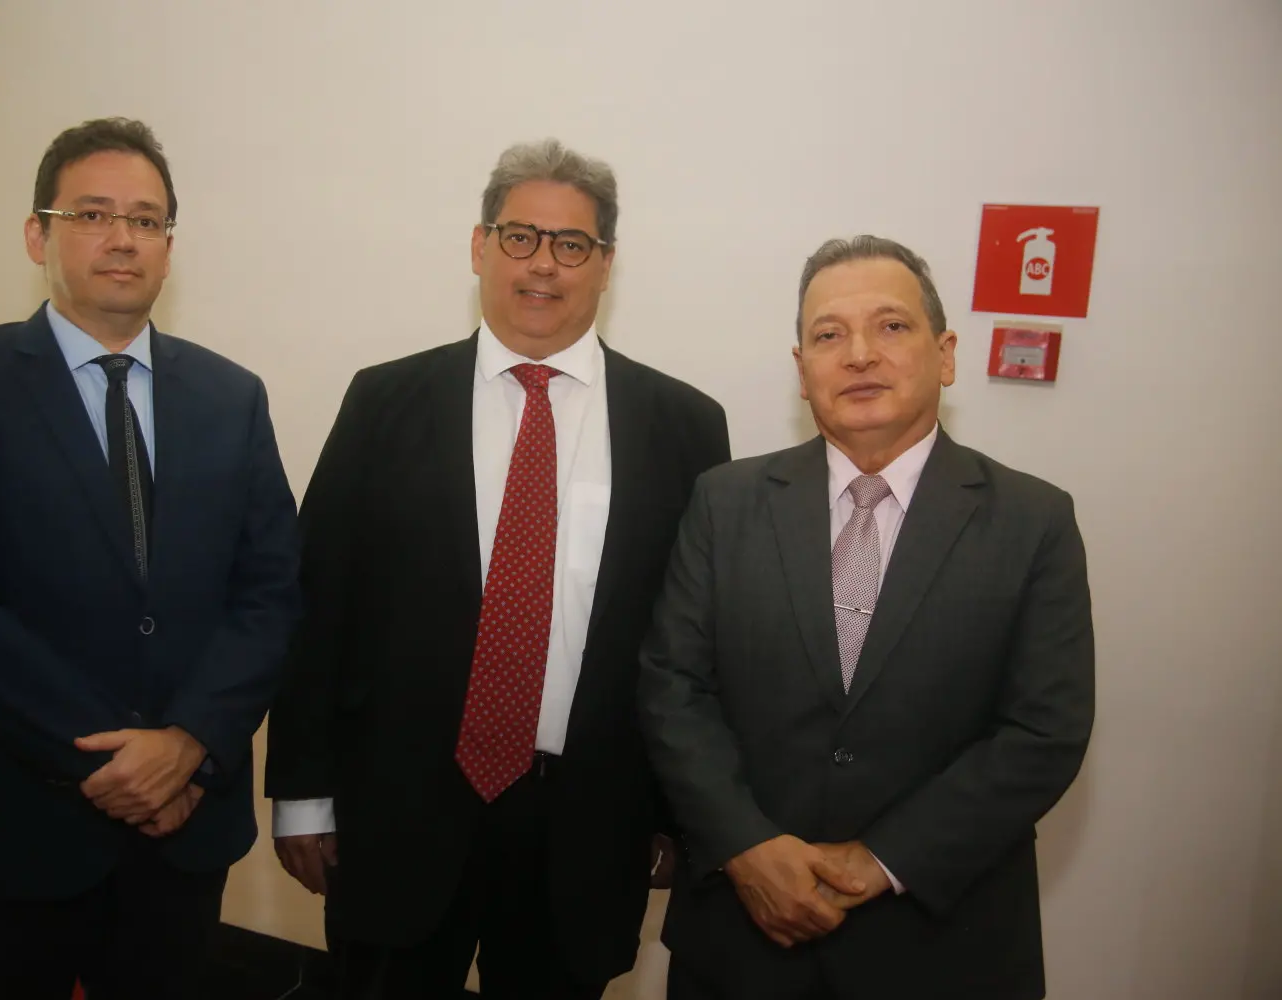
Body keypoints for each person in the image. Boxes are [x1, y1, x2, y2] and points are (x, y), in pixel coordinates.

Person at [264, 139, 730, 998]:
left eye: (572, 244)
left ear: (606, 265)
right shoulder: (384, 402)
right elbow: (319, 604)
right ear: (480, 247)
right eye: (520, 236)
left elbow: (697, 646)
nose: (542, 264)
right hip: (400, 812)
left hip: (586, 828)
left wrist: (676, 816)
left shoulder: (685, 427)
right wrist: (301, 792)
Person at [0, 117, 302, 1000]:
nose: (122, 238)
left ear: (169, 247)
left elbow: (270, 591)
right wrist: (120, 764)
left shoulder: (231, 396)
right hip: (4, 825)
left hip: (182, 834)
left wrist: (187, 744)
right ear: (38, 234)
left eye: (146, 220)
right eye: (92, 214)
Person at [639, 235, 1095, 1000]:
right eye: (829, 335)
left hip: (943, 946)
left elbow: (1044, 730)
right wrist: (748, 847)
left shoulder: (1033, 520)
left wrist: (880, 860)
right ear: (802, 370)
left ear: (945, 355)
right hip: (742, 942)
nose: (858, 355)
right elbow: (672, 688)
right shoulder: (724, 502)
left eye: (891, 326)